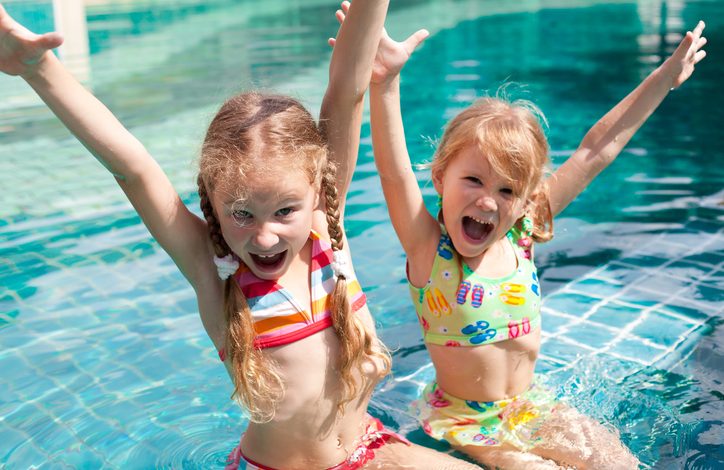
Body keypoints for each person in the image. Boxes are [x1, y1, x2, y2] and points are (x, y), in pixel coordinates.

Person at [0, 1, 480, 468]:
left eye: (284, 211)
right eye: (242, 214)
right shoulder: (218, 275)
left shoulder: (324, 234)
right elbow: (133, 169)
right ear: (214, 203)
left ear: (317, 189)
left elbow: (348, 91)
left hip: (368, 449)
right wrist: (40, 70)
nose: (265, 237)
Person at [364, 5, 708, 469]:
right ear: (441, 176)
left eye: (507, 189)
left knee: (619, 463)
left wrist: (664, 78)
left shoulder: (522, 232)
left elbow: (596, 149)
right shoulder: (431, 251)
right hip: (465, 418)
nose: (488, 201)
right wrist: (384, 83)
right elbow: (393, 172)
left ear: (525, 200)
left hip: (531, 405)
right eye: (474, 181)